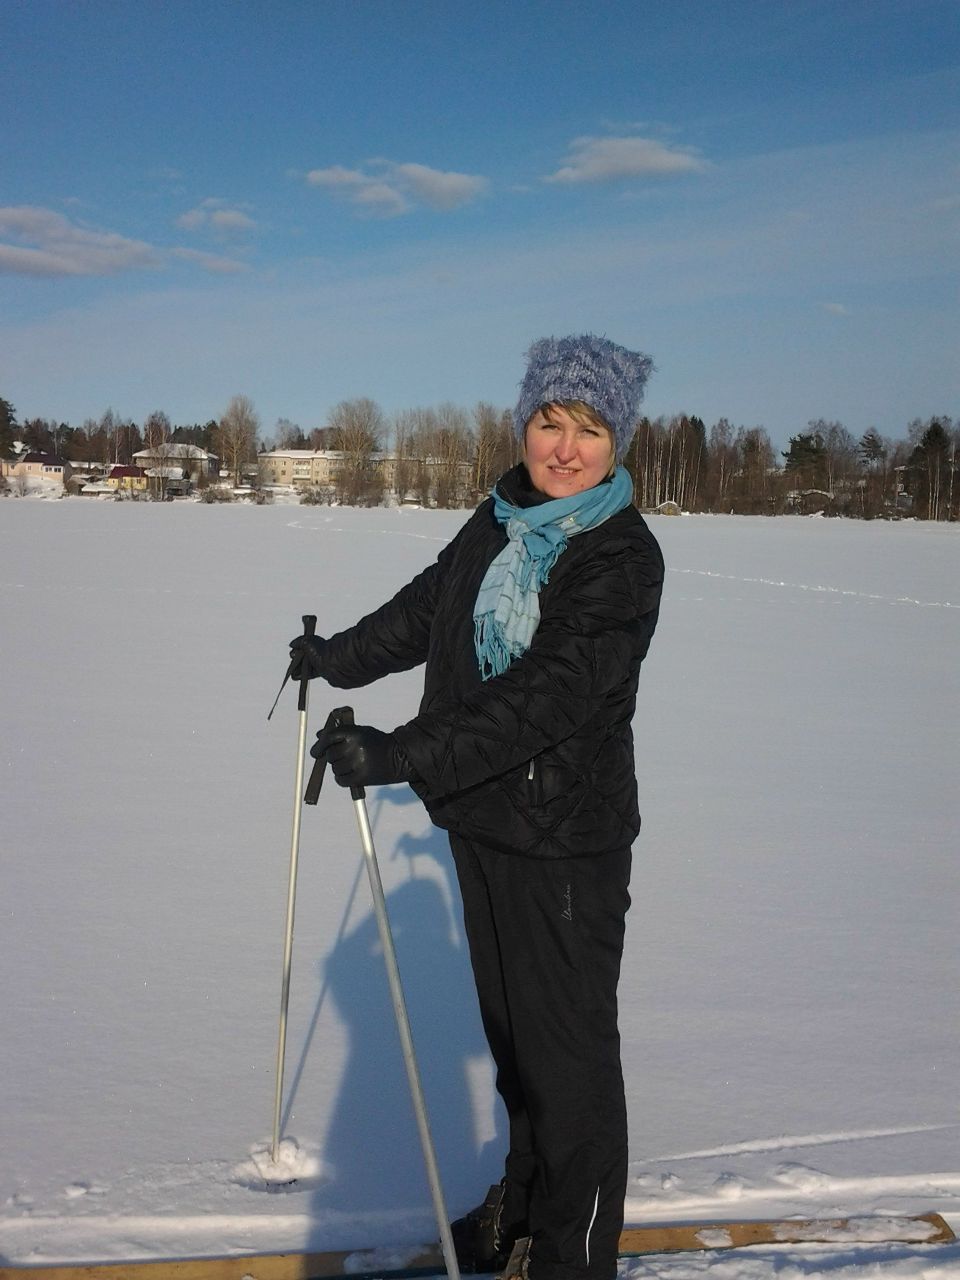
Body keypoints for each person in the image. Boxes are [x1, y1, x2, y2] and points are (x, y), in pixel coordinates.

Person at [289, 334, 664, 1280]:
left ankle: (577, 1257)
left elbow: (547, 694)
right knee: (515, 1044)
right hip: (485, 820)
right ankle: (525, 1214)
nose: (565, 446)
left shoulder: (620, 556)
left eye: (589, 427)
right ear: (525, 423)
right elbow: (432, 608)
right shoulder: (499, 519)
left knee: (568, 1058)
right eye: (551, 421)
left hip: (564, 840)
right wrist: (337, 657)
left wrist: (399, 754)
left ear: (616, 441)